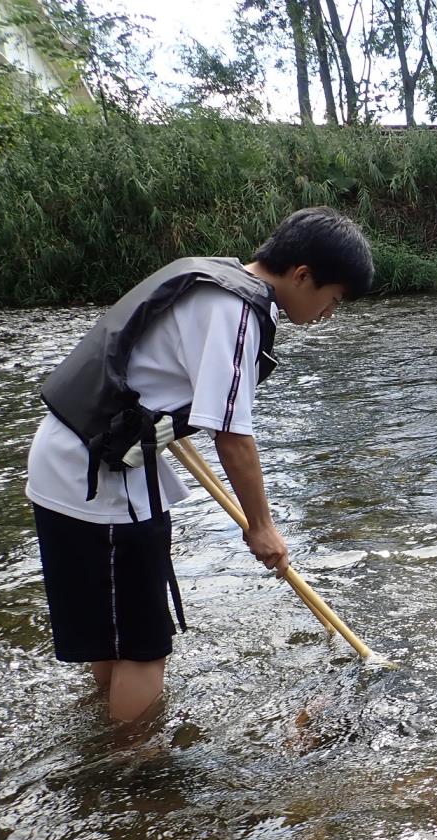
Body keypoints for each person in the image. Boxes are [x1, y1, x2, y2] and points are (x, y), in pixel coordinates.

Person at [26, 206, 374, 724]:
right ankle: (137, 774)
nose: (330, 312)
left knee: (113, 635)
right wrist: (262, 527)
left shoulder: (214, 276)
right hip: (103, 484)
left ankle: (101, 752)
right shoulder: (236, 310)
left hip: (62, 462)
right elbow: (231, 433)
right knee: (144, 648)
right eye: (334, 298)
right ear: (302, 276)